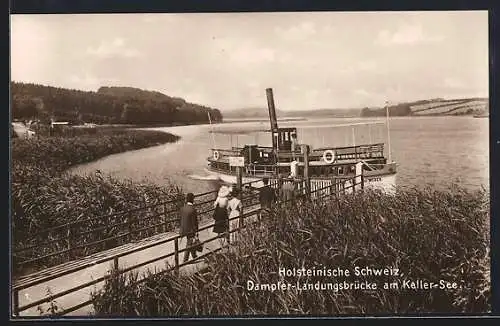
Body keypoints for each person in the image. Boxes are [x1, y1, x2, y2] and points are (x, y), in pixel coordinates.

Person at [179, 193, 199, 263]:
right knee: (189, 243)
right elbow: (194, 222)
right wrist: (196, 231)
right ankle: (185, 260)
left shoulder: (182, 208)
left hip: (183, 229)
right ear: (192, 199)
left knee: (190, 241)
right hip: (190, 230)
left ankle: (194, 256)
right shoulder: (193, 210)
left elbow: (181, 219)